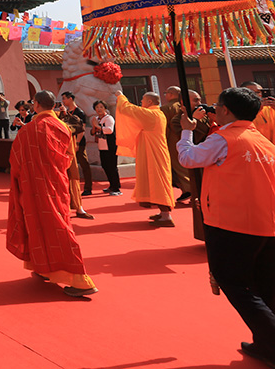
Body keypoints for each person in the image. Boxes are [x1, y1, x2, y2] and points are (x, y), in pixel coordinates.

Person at [177, 87, 275, 366]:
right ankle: (264, 343)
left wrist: (186, 131)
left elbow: (189, 158)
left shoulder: (224, 139)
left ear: (227, 110)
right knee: (265, 286)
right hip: (266, 224)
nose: (214, 109)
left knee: (237, 285)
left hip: (233, 225)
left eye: (218, 106)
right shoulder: (262, 141)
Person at [6, 90, 97, 298]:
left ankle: (79, 279)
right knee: (56, 224)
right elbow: (68, 157)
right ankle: (44, 267)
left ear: (36, 105)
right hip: (57, 184)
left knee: (49, 227)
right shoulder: (62, 127)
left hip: (33, 186)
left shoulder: (27, 130)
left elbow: (15, 163)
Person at [116, 90, 176, 227]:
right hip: (153, 152)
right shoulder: (156, 113)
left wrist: (121, 96)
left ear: (149, 102)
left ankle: (166, 216)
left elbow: (128, 109)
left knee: (158, 182)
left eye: (143, 100)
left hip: (155, 154)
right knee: (154, 180)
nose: (141, 102)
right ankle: (163, 214)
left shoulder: (152, 114)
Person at [161, 86, 194, 204]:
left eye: (166, 93)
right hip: (189, 136)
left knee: (179, 166)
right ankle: (187, 190)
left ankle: (190, 190)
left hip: (173, 140)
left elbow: (163, 127)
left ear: (170, 94)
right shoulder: (185, 106)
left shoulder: (166, 108)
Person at [61, 92, 92, 196]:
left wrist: (77, 143)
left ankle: (88, 187)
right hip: (68, 142)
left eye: (64, 99)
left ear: (70, 99)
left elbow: (81, 129)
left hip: (78, 142)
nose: (63, 101)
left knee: (84, 163)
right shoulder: (65, 112)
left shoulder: (79, 112)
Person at [91, 100, 122, 195]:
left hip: (110, 145)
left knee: (112, 166)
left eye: (101, 107)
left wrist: (97, 126)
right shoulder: (96, 119)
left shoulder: (109, 118)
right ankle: (111, 185)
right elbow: (93, 133)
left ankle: (116, 188)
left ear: (105, 108)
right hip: (102, 145)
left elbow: (109, 130)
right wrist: (94, 126)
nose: (99, 109)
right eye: (97, 107)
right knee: (105, 166)